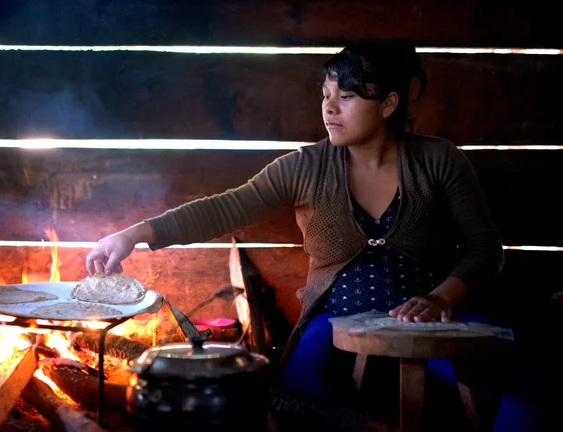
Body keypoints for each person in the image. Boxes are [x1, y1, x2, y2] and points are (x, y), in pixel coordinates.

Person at [85, 38, 549, 431]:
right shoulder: (305, 166)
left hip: (433, 327)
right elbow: (226, 208)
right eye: (326, 94)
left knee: (532, 386)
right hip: (335, 327)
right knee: (295, 402)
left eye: (347, 96)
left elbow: (484, 248)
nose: (328, 107)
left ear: (388, 104)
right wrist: (133, 234)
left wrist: (443, 298)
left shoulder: (438, 160)